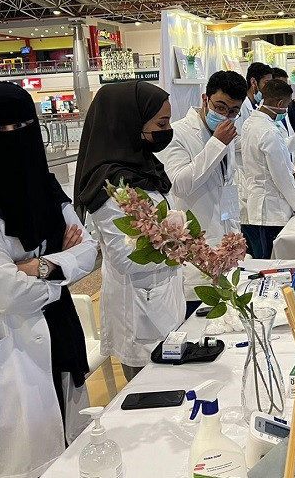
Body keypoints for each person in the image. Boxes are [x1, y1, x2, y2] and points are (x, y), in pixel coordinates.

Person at [0, 82, 96, 478]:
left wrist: (36, 267)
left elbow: (88, 251)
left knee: (68, 450)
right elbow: (9, 294)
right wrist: (60, 265)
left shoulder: (43, 186)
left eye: (21, 127)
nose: (10, 138)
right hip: (0, 352)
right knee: (17, 464)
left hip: (58, 333)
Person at [74, 81, 185, 381]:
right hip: (140, 311)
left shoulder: (145, 168)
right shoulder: (110, 184)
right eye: (161, 124)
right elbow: (125, 257)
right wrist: (180, 249)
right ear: (131, 123)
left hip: (162, 302)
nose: (167, 130)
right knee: (149, 389)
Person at [158, 71, 246, 315]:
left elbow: (227, 187)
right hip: (194, 252)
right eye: (220, 107)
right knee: (198, 320)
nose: (226, 115)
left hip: (225, 247)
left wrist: (236, 237)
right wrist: (217, 143)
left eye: (233, 111)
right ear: (205, 98)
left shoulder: (227, 134)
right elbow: (179, 184)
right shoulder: (177, 134)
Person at [241, 79, 295, 258]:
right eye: (287, 105)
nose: (286, 110)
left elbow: (270, 153)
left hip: (259, 204)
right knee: (270, 261)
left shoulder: (251, 123)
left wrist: (293, 142)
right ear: (280, 103)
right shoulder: (269, 131)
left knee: (263, 257)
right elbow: (282, 176)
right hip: (271, 211)